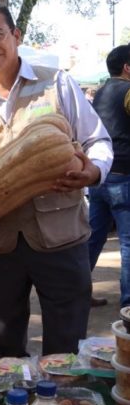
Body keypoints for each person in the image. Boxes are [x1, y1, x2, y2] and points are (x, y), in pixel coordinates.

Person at [0, 2, 113, 358]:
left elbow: (97, 141)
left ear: (16, 36)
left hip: (61, 236)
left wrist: (93, 171)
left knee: (67, 343)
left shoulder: (56, 82)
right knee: (3, 344)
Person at [88, 44, 130, 309]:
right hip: (124, 177)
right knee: (128, 243)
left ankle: (77, 292)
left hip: (99, 176)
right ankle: (128, 303)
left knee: (93, 237)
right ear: (127, 67)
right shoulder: (128, 92)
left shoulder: (100, 92)